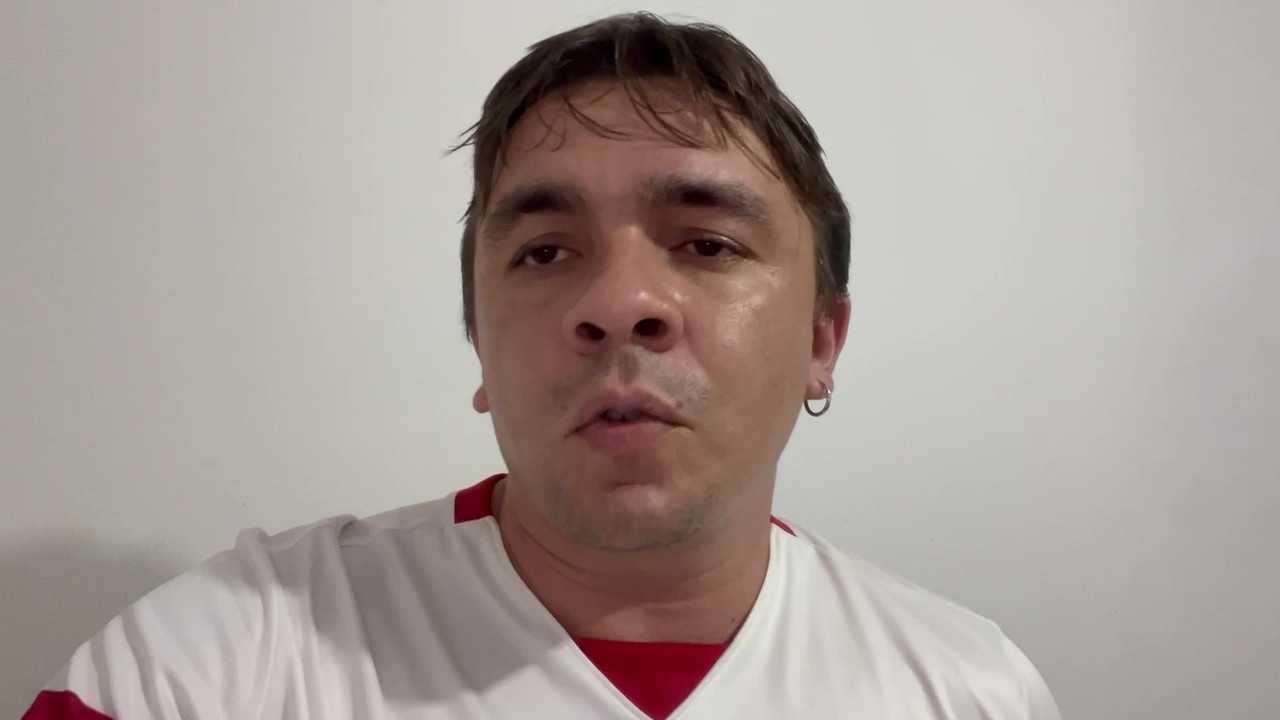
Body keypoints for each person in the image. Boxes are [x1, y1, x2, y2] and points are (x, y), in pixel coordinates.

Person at [24, 12, 1062, 720]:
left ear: (821, 342)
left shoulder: (965, 689)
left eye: (706, 243)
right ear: (479, 343)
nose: (617, 303)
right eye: (545, 253)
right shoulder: (220, 663)